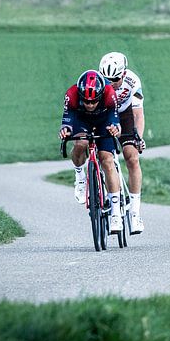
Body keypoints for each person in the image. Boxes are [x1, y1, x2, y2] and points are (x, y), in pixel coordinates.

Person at [59, 70, 124, 233]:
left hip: (104, 120)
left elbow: (115, 119)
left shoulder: (109, 93)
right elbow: (67, 120)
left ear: (100, 95)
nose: (89, 105)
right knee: (80, 143)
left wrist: (115, 129)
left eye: (93, 101)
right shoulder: (72, 94)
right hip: (82, 121)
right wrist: (66, 130)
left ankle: (116, 212)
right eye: (86, 101)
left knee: (107, 159)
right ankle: (80, 177)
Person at [99, 51, 146, 234]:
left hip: (125, 115)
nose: (110, 84)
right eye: (107, 79)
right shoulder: (99, 82)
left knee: (132, 157)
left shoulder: (133, 81)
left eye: (115, 79)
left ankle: (135, 213)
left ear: (124, 73)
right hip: (104, 115)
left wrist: (138, 138)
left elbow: (138, 115)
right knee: (105, 157)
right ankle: (110, 203)